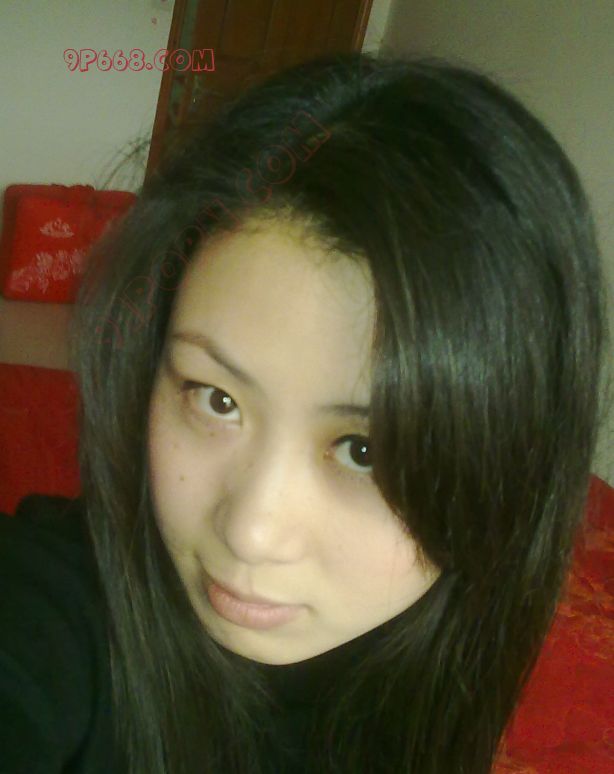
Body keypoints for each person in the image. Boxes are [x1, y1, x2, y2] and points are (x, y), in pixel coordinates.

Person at [1, 51, 611, 774]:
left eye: (365, 451)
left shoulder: (457, 659)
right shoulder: (52, 607)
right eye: (217, 399)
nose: (250, 532)